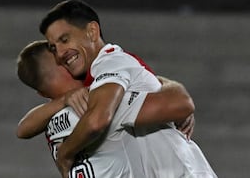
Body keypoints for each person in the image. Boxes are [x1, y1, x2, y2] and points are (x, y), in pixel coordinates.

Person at [39, 0, 217, 178]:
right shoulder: (100, 84)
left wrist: (65, 154)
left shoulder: (109, 63)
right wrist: (170, 87)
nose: (60, 54)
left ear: (92, 31)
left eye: (65, 39)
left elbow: (181, 104)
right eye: (54, 48)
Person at [16, 40, 196, 178]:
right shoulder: (92, 107)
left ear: (41, 93)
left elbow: (22, 129)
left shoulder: (51, 120)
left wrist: (62, 100)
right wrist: (164, 85)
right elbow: (178, 103)